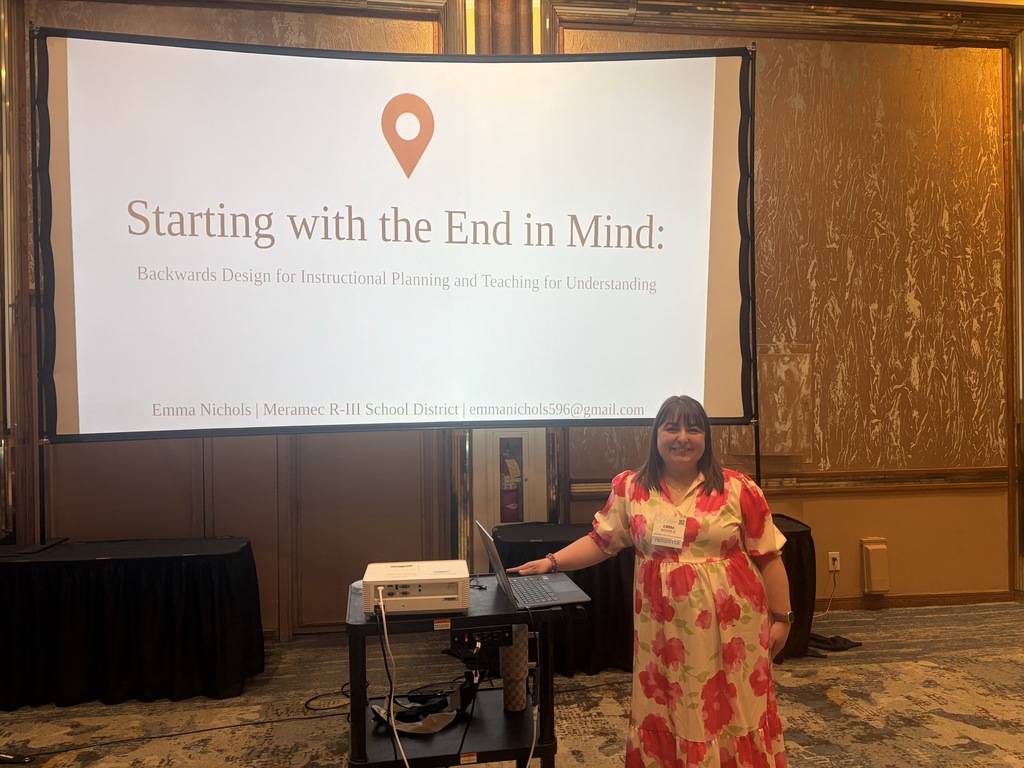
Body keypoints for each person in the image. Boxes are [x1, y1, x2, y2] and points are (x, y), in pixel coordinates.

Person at [510, 395, 790, 767]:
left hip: (734, 630)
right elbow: (601, 541)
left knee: (736, 709)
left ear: (706, 437)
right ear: (655, 435)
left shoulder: (738, 489)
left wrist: (783, 618)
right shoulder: (631, 489)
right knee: (672, 709)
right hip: (664, 635)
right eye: (671, 427)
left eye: (694, 428)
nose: (682, 437)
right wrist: (552, 561)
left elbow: (769, 556)